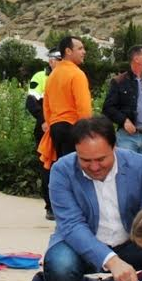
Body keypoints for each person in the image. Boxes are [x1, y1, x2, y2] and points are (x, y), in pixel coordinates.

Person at [43, 116, 142, 281]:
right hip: (84, 244)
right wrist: (112, 262)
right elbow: (71, 225)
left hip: (131, 242)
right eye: (85, 160)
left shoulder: (137, 165)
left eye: (101, 159)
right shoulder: (62, 171)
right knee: (59, 265)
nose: (94, 167)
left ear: (114, 147)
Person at [38, 36, 92, 193]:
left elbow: (46, 105)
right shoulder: (77, 74)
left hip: (55, 127)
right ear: (68, 51)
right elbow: (84, 107)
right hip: (74, 127)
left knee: (60, 168)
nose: (84, 52)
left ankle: (57, 204)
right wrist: (87, 132)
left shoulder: (53, 75)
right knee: (76, 171)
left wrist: (50, 124)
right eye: (80, 48)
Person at [102, 44, 142, 171]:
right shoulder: (119, 81)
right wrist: (124, 121)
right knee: (127, 174)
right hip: (127, 138)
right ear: (136, 59)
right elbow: (108, 108)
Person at [26, 49, 62, 219]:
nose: (61, 62)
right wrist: (43, 120)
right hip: (45, 129)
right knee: (47, 166)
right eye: (58, 59)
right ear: (51, 61)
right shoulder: (40, 77)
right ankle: (50, 206)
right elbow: (31, 101)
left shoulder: (70, 76)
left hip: (65, 129)